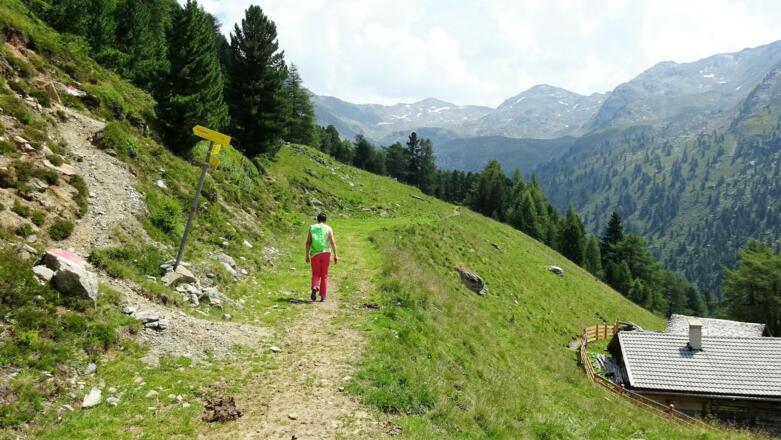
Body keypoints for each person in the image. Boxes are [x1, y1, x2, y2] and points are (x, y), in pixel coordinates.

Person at [305, 213, 338, 302]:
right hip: (326, 253)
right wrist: (335, 255)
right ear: (325, 220)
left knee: (315, 273)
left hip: (315, 254)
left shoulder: (312, 227)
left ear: (317, 219)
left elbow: (308, 243)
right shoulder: (328, 228)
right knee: (324, 275)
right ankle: (323, 296)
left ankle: (315, 286)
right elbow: (333, 242)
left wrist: (307, 255)